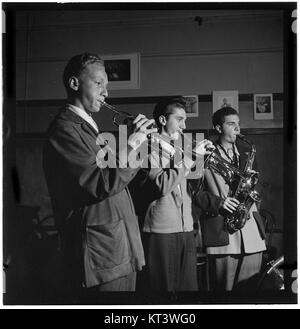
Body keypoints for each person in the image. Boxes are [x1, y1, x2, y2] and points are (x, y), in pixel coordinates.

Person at [43, 53, 156, 298]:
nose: (106, 93)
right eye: (98, 83)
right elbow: (99, 183)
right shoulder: (65, 129)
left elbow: (117, 177)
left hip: (119, 246)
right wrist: (134, 142)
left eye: (106, 85)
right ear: (74, 84)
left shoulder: (88, 126)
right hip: (101, 253)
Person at [134, 98, 239, 292]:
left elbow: (194, 189)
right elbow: (161, 185)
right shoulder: (147, 147)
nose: (184, 126)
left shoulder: (181, 148)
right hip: (161, 229)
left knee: (188, 289)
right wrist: (190, 157)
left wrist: (201, 159)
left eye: (185, 120)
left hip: (187, 227)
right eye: (180, 119)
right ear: (163, 120)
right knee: (163, 290)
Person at [202, 106, 266, 292]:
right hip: (223, 233)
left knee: (250, 293)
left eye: (238, 124)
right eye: (231, 124)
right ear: (218, 128)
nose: (237, 129)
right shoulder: (204, 153)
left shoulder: (248, 153)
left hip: (252, 234)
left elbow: (259, 187)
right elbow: (194, 194)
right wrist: (219, 203)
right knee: (223, 293)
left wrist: (251, 185)